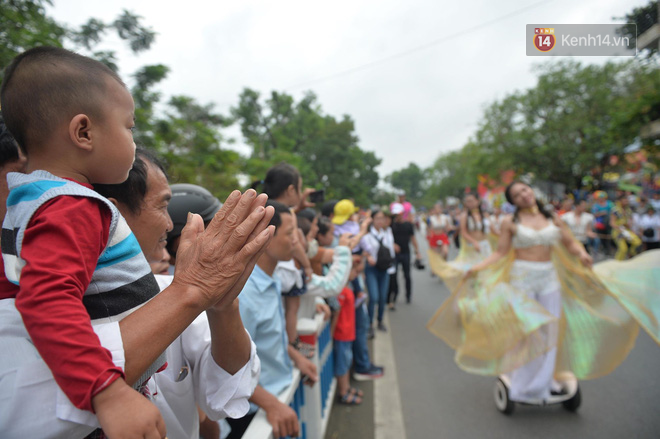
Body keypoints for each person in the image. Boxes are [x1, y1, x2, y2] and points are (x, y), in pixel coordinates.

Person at [0, 48, 273, 439]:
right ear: (83, 132)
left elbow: (226, 396)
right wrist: (107, 391)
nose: (170, 222)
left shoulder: (34, 205)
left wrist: (220, 302)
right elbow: (45, 300)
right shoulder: (71, 208)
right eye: (128, 127)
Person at [428, 180, 660, 404]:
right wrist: (476, 268)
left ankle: (544, 382)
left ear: (531, 191)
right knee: (528, 331)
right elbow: (500, 253)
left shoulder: (553, 218)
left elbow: (570, 243)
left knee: (550, 331)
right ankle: (521, 381)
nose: (524, 195)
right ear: (513, 201)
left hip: (549, 278)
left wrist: (582, 254)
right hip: (522, 279)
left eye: (525, 190)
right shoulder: (510, 221)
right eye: (517, 195)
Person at [96, 158, 260, 439]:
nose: (170, 224)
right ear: (114, 214)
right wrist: (193, 290)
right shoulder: (36, 312)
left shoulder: (169, 289)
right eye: (162, 206)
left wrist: (224, 307)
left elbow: (227, 393)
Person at [229, 201, 318, 439]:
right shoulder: (243, 294)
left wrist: (295, 356)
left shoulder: (272, 278)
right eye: (290, 234)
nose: (296, 242)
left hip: (277, 400)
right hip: (257, 416)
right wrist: (270, 404)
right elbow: (229, 369)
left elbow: (267, 338)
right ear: (265, 238)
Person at [333, 254, 364, 405]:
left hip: (348, 332)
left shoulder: (347, 288)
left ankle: (347, 387)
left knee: (346, 361)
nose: (356, 275)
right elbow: (337, 312)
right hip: (342, 332)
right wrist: (333, 333)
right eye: (354, 272)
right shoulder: (341, 291)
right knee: (342, 363)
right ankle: (343, 392)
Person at [362, 209, 396, 332]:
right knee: (374, 297)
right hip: (372, 269)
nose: (381, 221)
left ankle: (380, 321)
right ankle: (370, 323)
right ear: (372, 220)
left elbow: (391, 250)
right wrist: (367, 257)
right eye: (378, 218)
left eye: (382, 218)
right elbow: (363, 250)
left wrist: (391, 266)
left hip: (384, 269)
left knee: (382, 297)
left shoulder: (387, 232)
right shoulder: (366, 234)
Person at [389, 202, 421, 306]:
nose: (397, 216)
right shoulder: (391, 225)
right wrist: (392, 244)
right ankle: (394, 296)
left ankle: (408, 295)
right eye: (395, 214)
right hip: (394, 255)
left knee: (407, 275)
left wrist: (418, 252)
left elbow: (413, 239)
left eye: (398, 214)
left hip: (406, 253)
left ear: (402, 213)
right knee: (393, 276)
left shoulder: (408, 225)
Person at [610, 194, 642, 260]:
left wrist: (629, 227)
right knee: (623, 249)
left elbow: (630, 221)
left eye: (627, 201)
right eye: (624, 201)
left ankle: (631, 254)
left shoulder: (628, 210)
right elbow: (612, 223)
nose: (626, 202)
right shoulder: (615, 210)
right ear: (620, 201)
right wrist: (619, 228)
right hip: (618, 232)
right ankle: (618, 263)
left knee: (637, 242)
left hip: (626, 231)